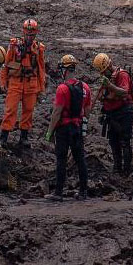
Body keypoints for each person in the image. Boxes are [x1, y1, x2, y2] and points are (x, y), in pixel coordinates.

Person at [44, 55, 91, 201]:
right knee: (80, 159)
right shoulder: (85, 87)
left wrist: (49, 132)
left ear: (64, 70)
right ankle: (83, 191)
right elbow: (87, 111)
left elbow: (56, 113)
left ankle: (58, 192)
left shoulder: (62, 89)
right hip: (77, 127)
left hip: (64, 129)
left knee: (61, 160)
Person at [0, 19, 46, 150]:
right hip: (15, 82)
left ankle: (23, 138)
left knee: (28, 112)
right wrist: (3, 81)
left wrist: (41, 88)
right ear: (24, 32)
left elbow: (41, 69)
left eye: (32, 34)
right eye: (27, 34)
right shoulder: (14, 45)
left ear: (36, 34)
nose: (29, 37)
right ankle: (3, 137)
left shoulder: (39, 48)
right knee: (10, 110)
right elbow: (6, 64)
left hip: (31, 84)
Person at [92, 53, 133, 175]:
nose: (102, 74)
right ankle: (117, 168)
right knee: (113, 141)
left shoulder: (122, 75)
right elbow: (101, 96)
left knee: (124, 141)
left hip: (124, 112)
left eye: (104, 71)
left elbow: (124, 92)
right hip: (111, 114)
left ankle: (126, 171)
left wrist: (110, 85)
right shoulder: (107, 78)